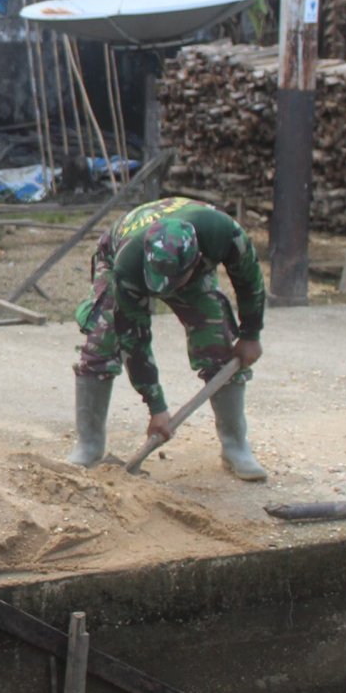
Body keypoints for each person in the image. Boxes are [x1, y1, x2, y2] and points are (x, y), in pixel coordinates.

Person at [68, 196, 268, 480]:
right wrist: (156, 407)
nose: (162, 293)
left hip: (189, 269)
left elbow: (250, 280)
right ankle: (88, 447)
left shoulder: (222, 233)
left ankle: (236, 447)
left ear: (196, 260)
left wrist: (251, 334)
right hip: (124, 258)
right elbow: (134, 338)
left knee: (217, 342)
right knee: (101, 342)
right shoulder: (130, 263)